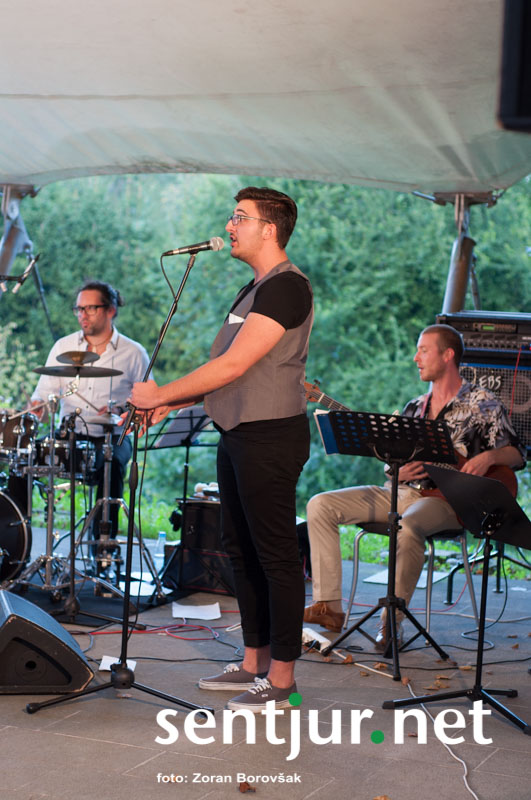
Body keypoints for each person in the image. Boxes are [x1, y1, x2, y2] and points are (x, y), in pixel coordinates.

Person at [128, 186, 313, 711]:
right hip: (238, 432)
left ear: (269, 230)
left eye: (239, 217)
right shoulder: (254, 288)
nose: (229, 226)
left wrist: (159, 393)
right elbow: (230, 374)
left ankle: (282, 680)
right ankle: (254, 662)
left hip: (270, 436)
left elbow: (234, 365)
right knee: (241, 550)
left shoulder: (286, 287)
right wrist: (176, 404)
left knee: (275, 556)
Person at [303, 323, 526, 649]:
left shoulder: (483, 403)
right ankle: (329, 608)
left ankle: (390, 622)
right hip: (402, 492)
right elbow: (391, 465)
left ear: (447, 355)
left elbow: (517, 454)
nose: (415, 358)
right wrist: (397, 469)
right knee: (320, 504)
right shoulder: (414, 407)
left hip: (447, 499)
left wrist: (487, 458)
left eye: (423, 350)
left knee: (408, 525)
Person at [30, 280, 150, 548]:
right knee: (23, 457)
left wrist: (122, 410)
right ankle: (17, 541)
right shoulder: (63, 347)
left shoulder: (133, 353)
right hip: (69, 435)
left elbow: (147, 402)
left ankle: (103, 547)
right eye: (79, 309)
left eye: (90, 308)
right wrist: (38, 408)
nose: (82, 315)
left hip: (112, 437)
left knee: (112, 463)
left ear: (111, 310)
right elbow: (44, 398)